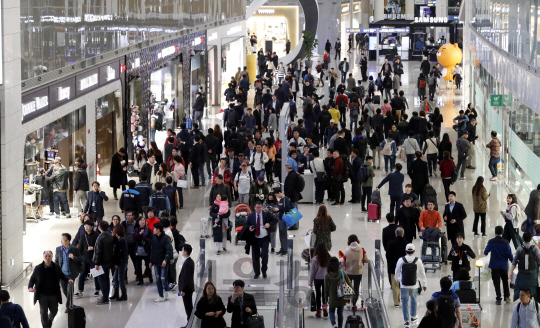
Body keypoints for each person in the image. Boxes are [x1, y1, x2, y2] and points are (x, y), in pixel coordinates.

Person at [28, 250, 73, 328]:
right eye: (46, 256)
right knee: (43, 312)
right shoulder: (38, 268)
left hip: (54, 294)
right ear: (43, 257)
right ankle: (46, 326)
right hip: (42, 294)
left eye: (49, 256)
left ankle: (49, 320)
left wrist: (68, 279)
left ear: (52, 256)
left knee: (54, 310)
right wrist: (30, 287)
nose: (48, 257)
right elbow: (32, 279)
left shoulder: (56, 266)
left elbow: (62, 275)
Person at [394, 244, 427, 327]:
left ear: (405, 251)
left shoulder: (401, 260)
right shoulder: (418, 261)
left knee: (404, 302)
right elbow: (422, 273)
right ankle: (413, 316)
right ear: (414, 251)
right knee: (414, 301)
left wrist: (397, 280)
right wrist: (424, 284)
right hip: (414, 285)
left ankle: (406, 321)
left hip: (403, 285)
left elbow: (397, 271)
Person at [246, 202, 278, 278]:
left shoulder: (267, 214)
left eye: (260, 207)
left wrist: (269, 224)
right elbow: (246, 224)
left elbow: (275, 220)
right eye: (257, 207)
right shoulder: (251, 216)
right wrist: (249, 228)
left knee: (264, 256)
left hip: (264, 238)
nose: (259, 209)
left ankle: (264, 271)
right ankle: (257, 272)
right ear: (254, 207)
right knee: (255, 256)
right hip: (255, 239)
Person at [484, 225, 513, 304]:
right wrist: (513, 262)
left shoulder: (491, 241)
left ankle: (498, 298)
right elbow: (510, 254)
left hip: (494, 266)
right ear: (503, 232)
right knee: (505, 281)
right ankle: (507, 297)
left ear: (495, 232)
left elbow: (485, 252)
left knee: (496, 282)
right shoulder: (506, 242)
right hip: (504, 266)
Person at [55, 233, 82, 310]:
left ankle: (69, 306)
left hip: (71, 273)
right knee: (64, 290)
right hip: (62, 274)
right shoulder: (58, 249)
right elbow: (57, 261)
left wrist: (74, 257)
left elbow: (80, 259)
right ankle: (70, 302)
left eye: (63, 239)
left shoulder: (75, 249)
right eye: (61, 239)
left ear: (68, 241)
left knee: (70, 290)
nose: (61, 241)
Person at [510, 232, 540, 301]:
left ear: (523, 239)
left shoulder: (519, 249)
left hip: (522, 275)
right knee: (533, 288)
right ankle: (532, 300)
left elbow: (514, 261)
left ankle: (522, 299)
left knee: (520, 287)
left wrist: (511, 272)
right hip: (532, 275)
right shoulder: (535, 249)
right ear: (531, 239)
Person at [74, 220, 100, 298]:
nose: (86, 228)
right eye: (85, 226)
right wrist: (80, 257)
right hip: (85, 258)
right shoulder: (83, 236)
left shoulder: (96, 235)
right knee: (82, 275)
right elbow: (81, 247)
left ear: (92, 227)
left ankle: (97, 289)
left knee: (96, 275)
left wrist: (93, 248)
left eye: (88, 226)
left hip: (94, 259)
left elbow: (100, 247)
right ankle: (80, 291)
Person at [324, 257, 352, 328]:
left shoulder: (327, 275)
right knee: (340, 313)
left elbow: (326, 288)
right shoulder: (342, 272)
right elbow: (349, 282)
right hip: (341, 296)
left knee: (331, 311)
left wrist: (326, 297)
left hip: (332, 297)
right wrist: (349, 293)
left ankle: (334, 324)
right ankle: (340, 326)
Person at [149, 222, 174, 302]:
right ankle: (161, 295)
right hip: (156, 261)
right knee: (158, 278)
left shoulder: (166, 238)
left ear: (158, 230)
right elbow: (152, 250)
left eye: (154, 229)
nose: (153, 230)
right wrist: (151, 262)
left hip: (163, 261)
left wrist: (166, 260)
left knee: (163, 278)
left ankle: (166, 291)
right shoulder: (154, 238)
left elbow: (169, 250)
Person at [344, 234, 369, 311]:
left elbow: (344, 260)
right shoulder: (361, 249)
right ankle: (354, 304)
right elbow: (367, 260)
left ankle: (348, 301)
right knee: (356, 288)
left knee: (348, 287)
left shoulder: (347, 250)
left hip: (348, 272)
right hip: (358, 272)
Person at [93, 220, 114, 305]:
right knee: (106, 280)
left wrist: (96, 263)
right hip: (108, 261)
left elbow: (98, 252)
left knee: (101, 280)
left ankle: (104, 297)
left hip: (101, 263)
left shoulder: (100, 238)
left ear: (99, 228)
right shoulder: (110, 237)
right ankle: (106, 296)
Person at [386, 227, 408, 307]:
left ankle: (396, 302)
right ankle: (403, 297)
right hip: (404, 267)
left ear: (395, 234)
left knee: (395, 284)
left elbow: (387, 255)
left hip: (393, 266)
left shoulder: (390, 243)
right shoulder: (407, 243)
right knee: (404, 283)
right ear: (403, 234)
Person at [309, 243, 330, 318]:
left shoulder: (315, 259)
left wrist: (310, 281)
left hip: (317, 279)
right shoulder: (328, 257)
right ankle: (325, 306)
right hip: (326, 278)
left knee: (318, 294)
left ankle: (318, 311)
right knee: (325, 294)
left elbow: (313, 271)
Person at [110, 225, 129, 301]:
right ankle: (116, 293)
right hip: (120, 261)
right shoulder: (118, 239)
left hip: (121, 262)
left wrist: (117, 263)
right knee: (115, 278)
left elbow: (120, 253)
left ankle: (124, 295)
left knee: (120, 278)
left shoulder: (122, 240)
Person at [178, 244, 195, 323]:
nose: (181, 251)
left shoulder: (187, 263)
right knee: (188, 306)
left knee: (188, 307)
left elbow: (186, 278)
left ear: (185, 252)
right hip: (188, 288)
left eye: (182, 250)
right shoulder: (189, 261)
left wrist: (183, 290)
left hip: (187, 289)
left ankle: (190, 323)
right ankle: (190, 322)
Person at [135, 218, 154, 285]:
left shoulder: (148, 229)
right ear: (138, 222)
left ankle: (150, 278)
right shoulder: (136, 229)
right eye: (141, 220)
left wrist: (146, 241)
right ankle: (140, 280)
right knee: (138, 266)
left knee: (148, 265)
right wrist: (140, 233)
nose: (142, 222)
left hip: (146, 250)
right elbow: (135, 237)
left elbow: (151, 238)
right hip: (138, 250)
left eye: (143, 220)